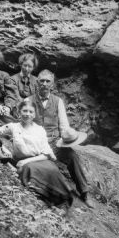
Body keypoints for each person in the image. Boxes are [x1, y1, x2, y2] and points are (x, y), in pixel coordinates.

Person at [31, 69, 94, 208]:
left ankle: (84, 193)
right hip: (36, 143)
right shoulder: (28, 101)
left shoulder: (57, 101)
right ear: (37, 82)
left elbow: (64, 124)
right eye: (42, 81)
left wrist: (66, 139)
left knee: (72, 156)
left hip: (54, 141)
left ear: (52, 85)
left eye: (48, 81)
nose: (45, 84)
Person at [0, 99, 74, 208]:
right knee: (29, 170)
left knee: (52, 170)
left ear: (34, 114)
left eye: (31, 112)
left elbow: (46, 153)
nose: (27, 114)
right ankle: (43, 200)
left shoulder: (40, 130)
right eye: (25, 111)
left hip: (39, 159)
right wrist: (3, 148)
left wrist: (25, 161)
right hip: (24, 163)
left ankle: (60, 200)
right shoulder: (13, 127)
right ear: (19, 112)